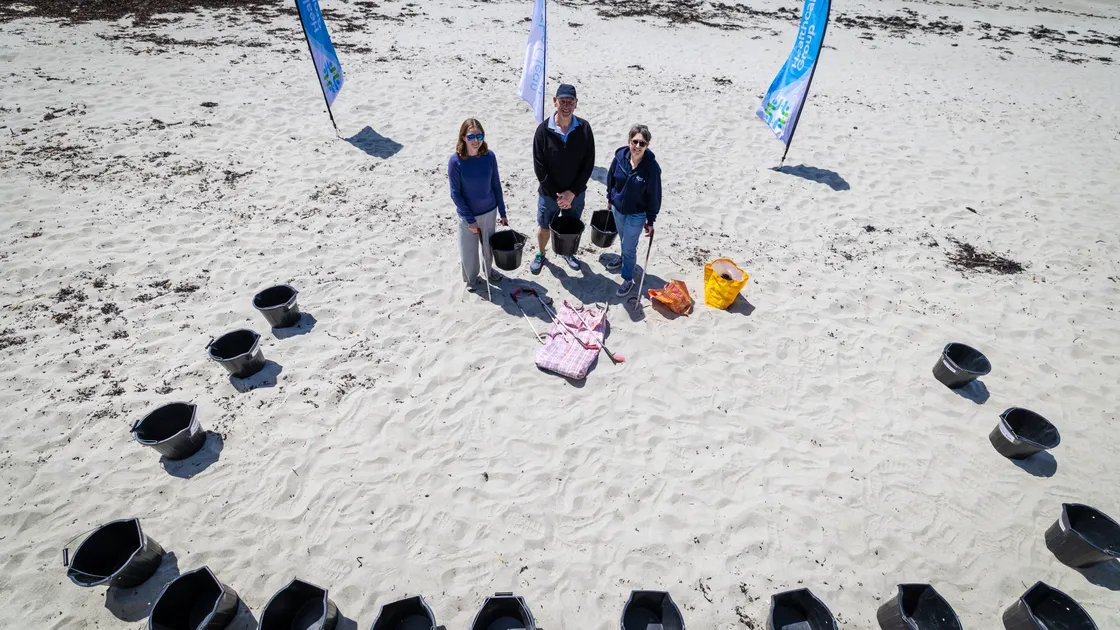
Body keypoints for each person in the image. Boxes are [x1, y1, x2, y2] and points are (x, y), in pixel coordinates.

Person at [530, 83, 595, 274]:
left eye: (570, 101)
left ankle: (568, 254)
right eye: (562, 101)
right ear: (554, 101)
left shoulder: (584, 128)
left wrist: (572, 193)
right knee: (544, 227)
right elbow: (539, 167)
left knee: (570, 229)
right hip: (550, 194)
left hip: (575, 194)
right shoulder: (543, 130)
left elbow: (588, 164)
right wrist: (558, 195)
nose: (566, 105)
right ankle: (541, 254)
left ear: (576, 104)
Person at [448, 118, 508, 291]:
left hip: (489, 210)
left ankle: (489, 271)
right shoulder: (455, 161)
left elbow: (496, 185)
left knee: (489, 248)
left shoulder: (489, 157)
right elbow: (455, 194)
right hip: (468, 215)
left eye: (479, 136)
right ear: (463, 138)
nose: (476, 140)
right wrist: (470, 219)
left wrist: (502, 213)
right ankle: (471, 279)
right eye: (471, 136)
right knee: (469, 251)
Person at [605, 124, 661, 296]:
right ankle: (623, 259)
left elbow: (655, 195)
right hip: (618, 209)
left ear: (647, 145)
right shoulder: (619, 158)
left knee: (629, 246)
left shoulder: (651, 168)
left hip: (637, 214)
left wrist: (650, 221)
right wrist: (610, 198)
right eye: (635, 141)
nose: (637, 146)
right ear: (629, 141)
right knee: (623, 239)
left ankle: (628, 278)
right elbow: (611, 178)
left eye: (642, 143)